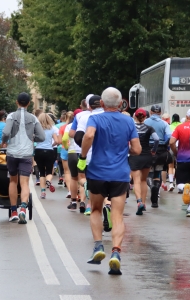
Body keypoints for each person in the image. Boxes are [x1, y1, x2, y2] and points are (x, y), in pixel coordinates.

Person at [78, 87, 141, 275]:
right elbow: (137, 150)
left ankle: (98, 247)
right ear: (121, 104)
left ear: (102, 104)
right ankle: (116, 252)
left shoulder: (95, 118)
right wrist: (124, 150)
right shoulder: (128, 120)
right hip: (120, 174)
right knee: (117, 215)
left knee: (96, 209)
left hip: (97, 172)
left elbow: (88, 136)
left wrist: (83, 156)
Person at [1, 93, 46, 224]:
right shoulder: (33, 118)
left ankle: (14, 211)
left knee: (13, 181)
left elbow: (5, 132)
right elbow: (42, 137)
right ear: (29, 103)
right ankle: (23, 209)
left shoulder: (10, 116)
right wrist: (33, 138)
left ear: (16, 102)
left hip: (12, 153)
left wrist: (4, 142)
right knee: (25, 183)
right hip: (26, 154)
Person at [170, 108, 190, 217]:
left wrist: (176, 152)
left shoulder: (180, 127)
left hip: (182, 159)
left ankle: (183, 188)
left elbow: (171, 141)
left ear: (186, 117)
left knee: (180, 184)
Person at [130, 109, 159, 215]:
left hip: (135, 156)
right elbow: (156, 139)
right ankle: (144, 202)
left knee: (136, 180)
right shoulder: (149, 128)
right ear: (145, 117)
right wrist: (154, 150)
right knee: (143, 180)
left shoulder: (131, 128)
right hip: (147, 155)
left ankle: (138, 202)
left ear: (135, 117)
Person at [144, 104, 172, 207]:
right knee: (158, 173)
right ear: (160, 113)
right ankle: (154, 201)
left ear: (151, 112)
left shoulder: (146, 122)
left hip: (148, 150)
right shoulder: (164, 123)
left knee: (149, 174)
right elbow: (169, 136)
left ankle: (152, 186)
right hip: (161, 151)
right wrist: (165, 144)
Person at [64, 109, 87, 213]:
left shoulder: (69, 126)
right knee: (83, 177)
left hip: (72, 152)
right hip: (84, 152)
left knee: (74, 178)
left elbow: (64, 139)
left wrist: (65, 147)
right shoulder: (88, 123)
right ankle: (82, 201)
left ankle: (73, 202)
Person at [34, 113, 61, 199]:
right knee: (49, 170)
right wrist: (51, 145)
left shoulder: (37, 129)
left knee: (41, 172)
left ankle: (43, 192)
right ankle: (48, 181)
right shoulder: (52, 128)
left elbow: (32, 139)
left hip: (38, 150)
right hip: (49, 151)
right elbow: (57, 141)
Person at [59, 112, 73, 200]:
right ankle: (78, 189)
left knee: (67, 171)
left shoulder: (62, 127)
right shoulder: (77, 126)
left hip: (65, 149)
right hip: (75, 149)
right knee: (76, 172)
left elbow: (60, 141)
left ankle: (70, 190)